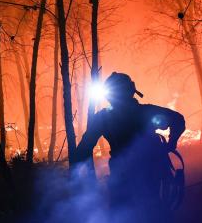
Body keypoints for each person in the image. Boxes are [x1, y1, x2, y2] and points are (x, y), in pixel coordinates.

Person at [72, 72, 186, 205]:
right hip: (148, 175)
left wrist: (86, 181)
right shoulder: (146, 112)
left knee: (122, 216)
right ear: (131, 90)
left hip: (123, 177)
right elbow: (178, 119)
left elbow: (83, 150)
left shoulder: (103, 118)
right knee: (152, 214)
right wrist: (171, 144)